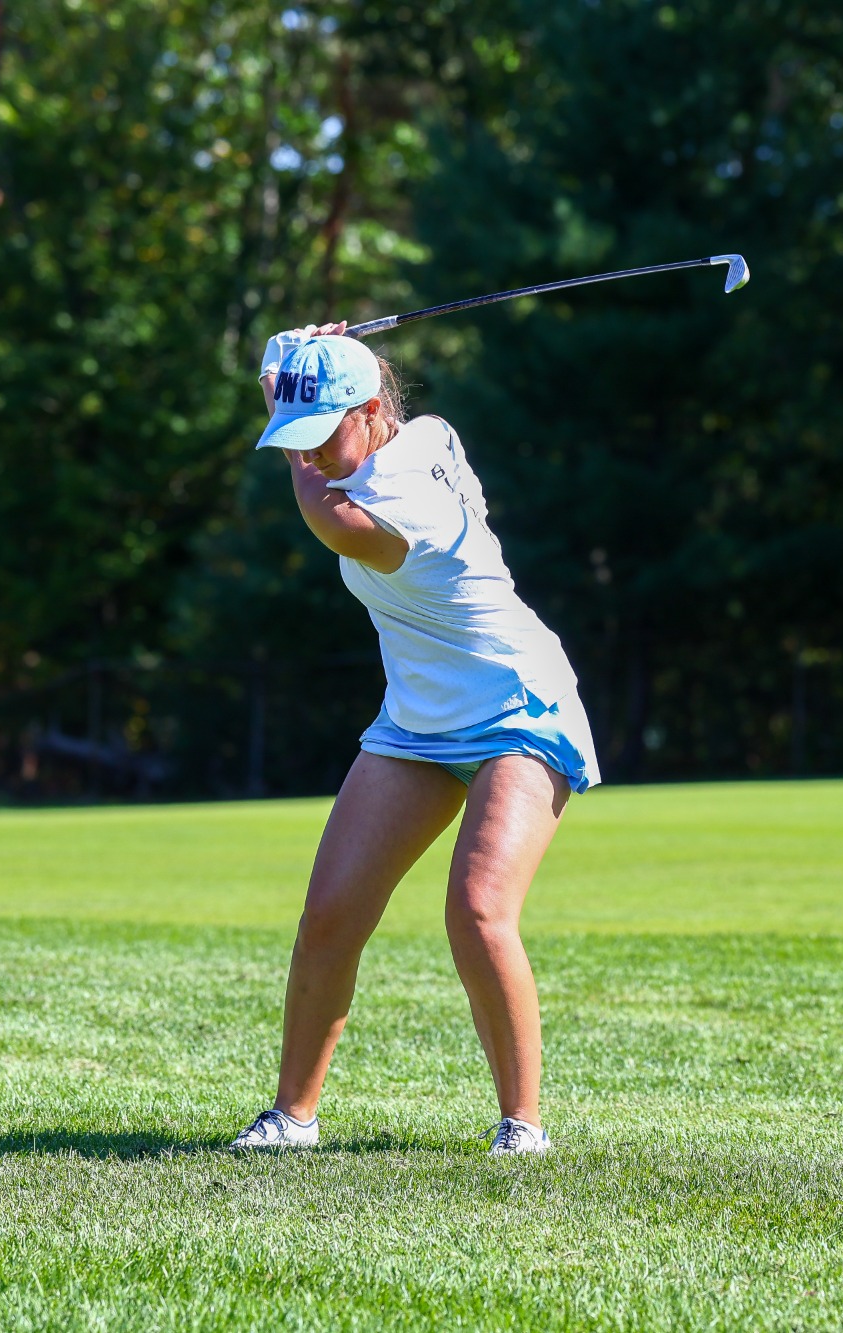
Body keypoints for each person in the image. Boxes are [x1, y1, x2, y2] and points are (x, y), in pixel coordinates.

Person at [229, 322, 599, 1156]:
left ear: (368, 412)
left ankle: (524, 1126)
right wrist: (285, 370)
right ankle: (292, 1118)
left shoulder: (401, 500)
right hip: (418, 719)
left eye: (321, 434)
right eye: (299, 438)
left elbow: (333, 523)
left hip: (518, 704)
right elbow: (322, 431)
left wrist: (292, 433)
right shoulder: (423, 431)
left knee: (476, 908)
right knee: (331, 911)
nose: (311, 453)